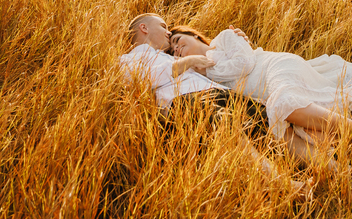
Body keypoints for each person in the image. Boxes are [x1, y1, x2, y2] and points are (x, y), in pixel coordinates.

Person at [169, 25, 352, 167]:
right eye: (172, 51)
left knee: (284, 102)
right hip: (266, 94)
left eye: (178, 40)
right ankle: (343, 170)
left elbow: (245, 64)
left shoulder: (224, 38)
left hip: (274, 68)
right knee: (282, 128)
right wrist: (197, 69)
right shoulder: (198, 76)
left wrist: (206, 68)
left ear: (193, 34)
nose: (177, 48)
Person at [119, 13, 297, 187]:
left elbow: (224, 63)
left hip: (222, 93)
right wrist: (186, 62)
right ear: (144, 28)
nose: (168, 32)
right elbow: (141, 79)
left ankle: (317, 165)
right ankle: (283, 182)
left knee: (270, 124)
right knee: (226, 126)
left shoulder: (173, 55)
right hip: (188, 98)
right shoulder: (128, 59)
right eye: (163, 26)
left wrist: (241, 41)